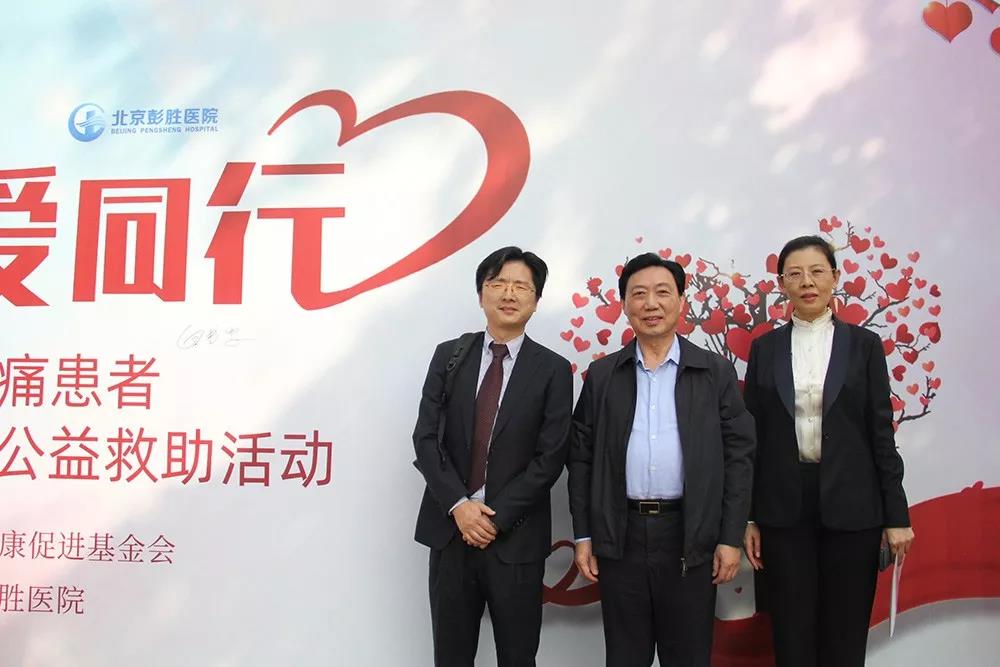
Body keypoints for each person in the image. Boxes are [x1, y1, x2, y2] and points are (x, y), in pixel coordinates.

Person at [567, 252, 756, 667]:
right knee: (625, 656)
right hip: (621, 535)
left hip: (690, 535)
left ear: (681, 301)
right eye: (639, 294)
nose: (651, 304)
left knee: (688, 656)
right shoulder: (603, 376)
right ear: (624, 305)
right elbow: (580, 459)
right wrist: (584, 536)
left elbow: (739, 457)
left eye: (662, 292)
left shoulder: (714, 372)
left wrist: (729, 537)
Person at [742, 235, 915, 667]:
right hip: (784, 509)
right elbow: (752, 437)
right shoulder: (764, 349)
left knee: (845, 636)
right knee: (791, 635)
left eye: (817, 271)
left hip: (853, 508)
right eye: (795, 274)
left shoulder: (864, 346)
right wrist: (748, 515)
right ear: (781, 283)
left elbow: (880, 433)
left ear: (835, 277)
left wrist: (897, 516)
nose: (807, 282)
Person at [412, 246, 574, 667]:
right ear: (481, 293)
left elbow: (551, 457)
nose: (509, 293)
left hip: (515, 540)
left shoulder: (554, 370)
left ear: (536, 300)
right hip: (451, 534)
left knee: (517, 657)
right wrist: (460, 506)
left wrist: (493, 519)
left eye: (521, 286)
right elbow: (426, 439)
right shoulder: (450, 356)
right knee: (451, 657)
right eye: (498, 283)